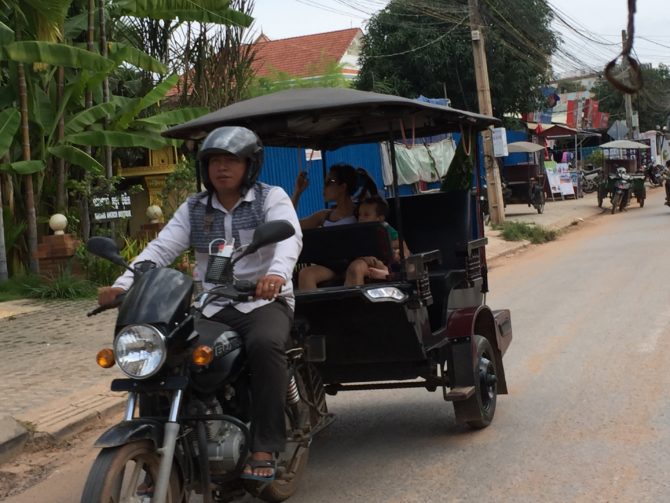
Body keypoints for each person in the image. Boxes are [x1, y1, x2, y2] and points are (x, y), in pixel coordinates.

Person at [97, 126, 303, 482]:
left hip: (262, 302)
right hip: (213, 305)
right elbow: (160, 249)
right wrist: (123, 284)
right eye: (214, 161)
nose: (222, 168)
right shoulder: (194, 207)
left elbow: (289, 237)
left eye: (231, 161)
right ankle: (160, 448)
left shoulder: (271, 197)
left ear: (249, 165)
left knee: (265, 346)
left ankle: (264, 446)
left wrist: (276, 276)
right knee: (167, 353)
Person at [298, 195, 407, 289]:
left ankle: (354, 307)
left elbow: (400, 244)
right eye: (359, 215)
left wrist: (383, 249)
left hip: (370, 262)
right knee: (306, 274)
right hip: (340, 263)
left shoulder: (383, 229)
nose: (361, 218)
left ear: (379, 218)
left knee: (356, 268)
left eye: (366, 215)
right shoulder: (356, 228)